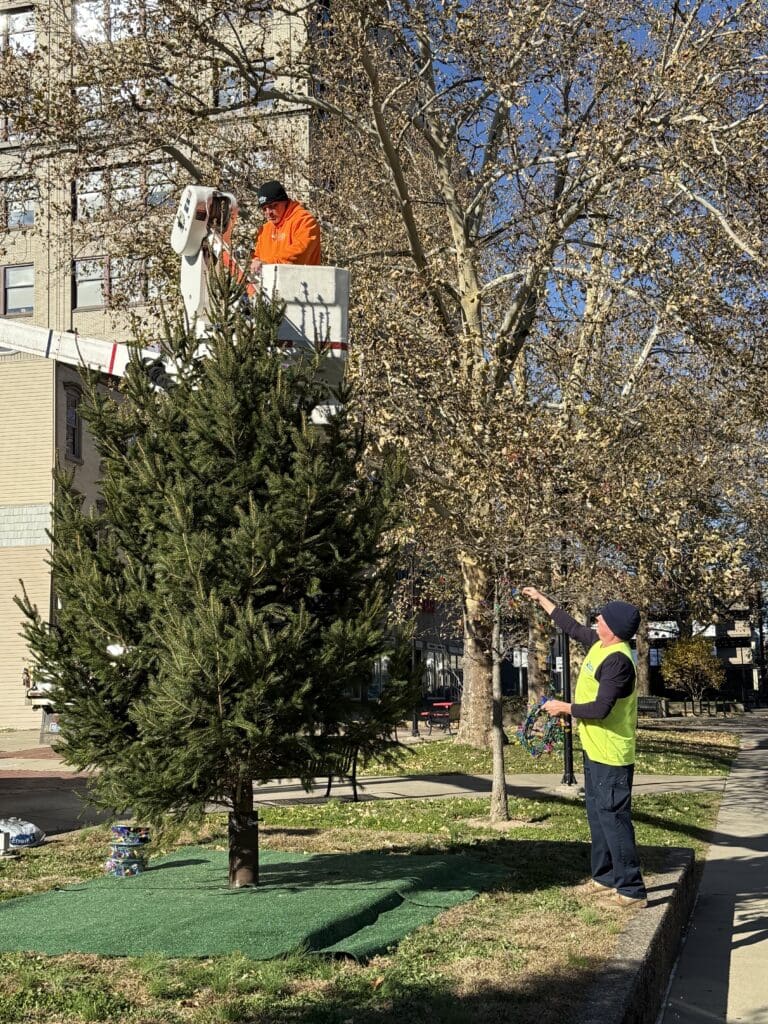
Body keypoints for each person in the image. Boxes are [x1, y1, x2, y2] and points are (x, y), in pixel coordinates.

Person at [522, 586, 648, 908]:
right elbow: (571, 626)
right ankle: (604, 878)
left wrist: (564, 708)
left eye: (602, 617)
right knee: (597, 815)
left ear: (614, 628)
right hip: (594, 749)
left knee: (615, 819)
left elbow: (600, 708)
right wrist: (542, 600)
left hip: (612, 754)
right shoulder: (600, 645)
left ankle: (631, 890)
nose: (596, 619)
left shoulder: (618, 661)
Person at [249, 180, 321, 275]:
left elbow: (299, 253)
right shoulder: (265, 229)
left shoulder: (305, 221)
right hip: (270, 285)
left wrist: (267, 264)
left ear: (285, 202)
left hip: (302, 285)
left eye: (273, 206)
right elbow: (257, 257)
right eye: (264, 209)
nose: (268, 213)